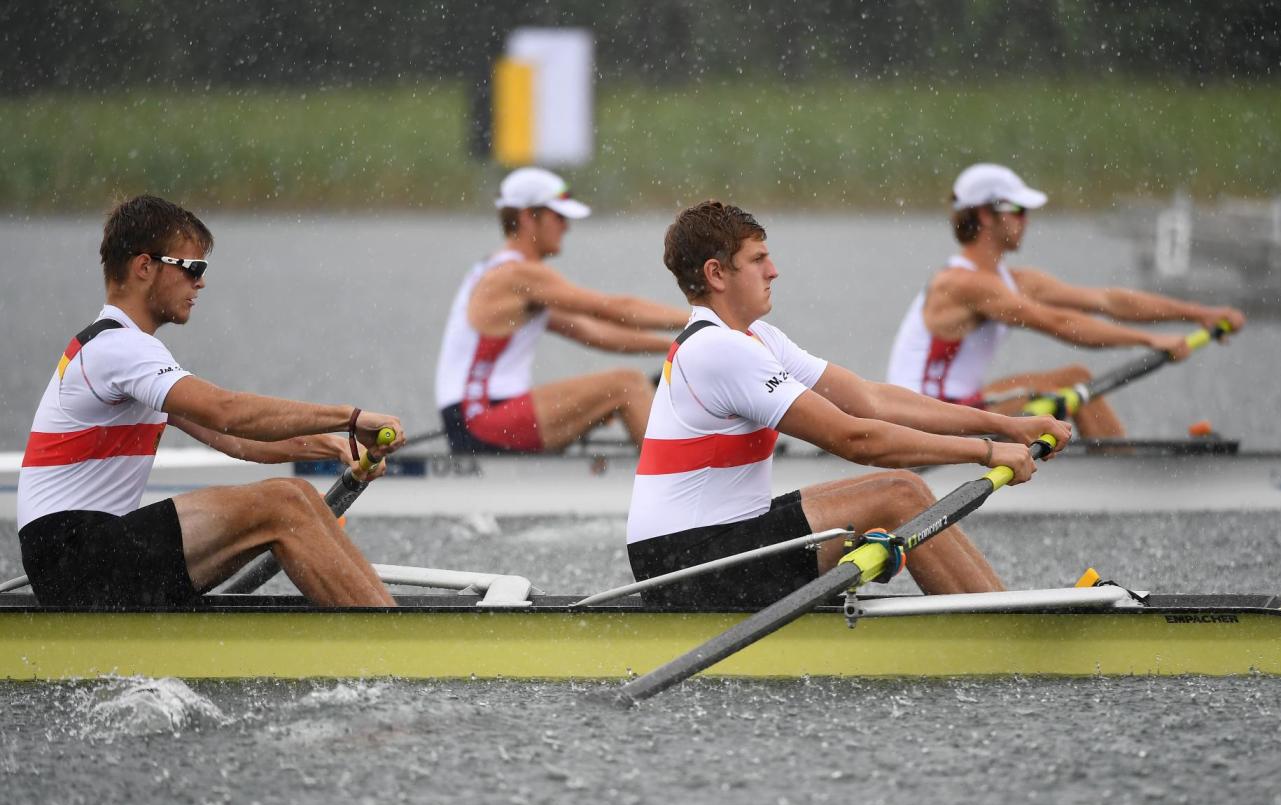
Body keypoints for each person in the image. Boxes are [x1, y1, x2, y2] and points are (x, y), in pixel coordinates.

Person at [625, 201, 1073, 607]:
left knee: (904, 487)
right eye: (758, 260)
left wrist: (1006, 426)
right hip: (685, 566)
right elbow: (855, 439)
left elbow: (870, 400)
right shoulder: (719, 350)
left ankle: (998, 608)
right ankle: (1002, 631)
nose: (774, 271)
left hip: (718, 542)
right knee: (899, 496)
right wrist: (987, 452)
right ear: (716, 274)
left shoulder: (755, 337)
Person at [16, 195, 406, 609]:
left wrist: (336, 445)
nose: (200, 283)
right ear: (144, 267)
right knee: (285, 503)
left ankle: (386, 620)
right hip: (76, 557)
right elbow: (228, 413)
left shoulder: (124, 352)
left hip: (88, 556)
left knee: (299, 496)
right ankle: (389, 638)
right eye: (193, 269)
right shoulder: (118, 349)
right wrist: (351, 417)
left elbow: (238, 440)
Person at [886, 163, 1247, 437]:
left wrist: (1199, 313)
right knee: (1065, 384)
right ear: (984, 215)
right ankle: (1120, 471)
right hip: (920, 421)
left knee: (1074, 378)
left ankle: (1113, 461)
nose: (1026, 221)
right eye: (1018, 210)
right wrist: (1150, 340)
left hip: (958, 406)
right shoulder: (961, 284)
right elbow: (1059, 324)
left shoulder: (1015, 281)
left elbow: (1108, 301)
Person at [434, 167, 690, 454]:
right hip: (481, 419)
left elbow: (594, 332)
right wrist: (700, 319)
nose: (566, 227)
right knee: (627, 384)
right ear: (527, 217)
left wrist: (677, 347)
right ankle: (676, 473)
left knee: (625, 386)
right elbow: (614, 309)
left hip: (474, 418)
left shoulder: (498, 272)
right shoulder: (516, 275)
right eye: (559, 217)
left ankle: (666, 464)